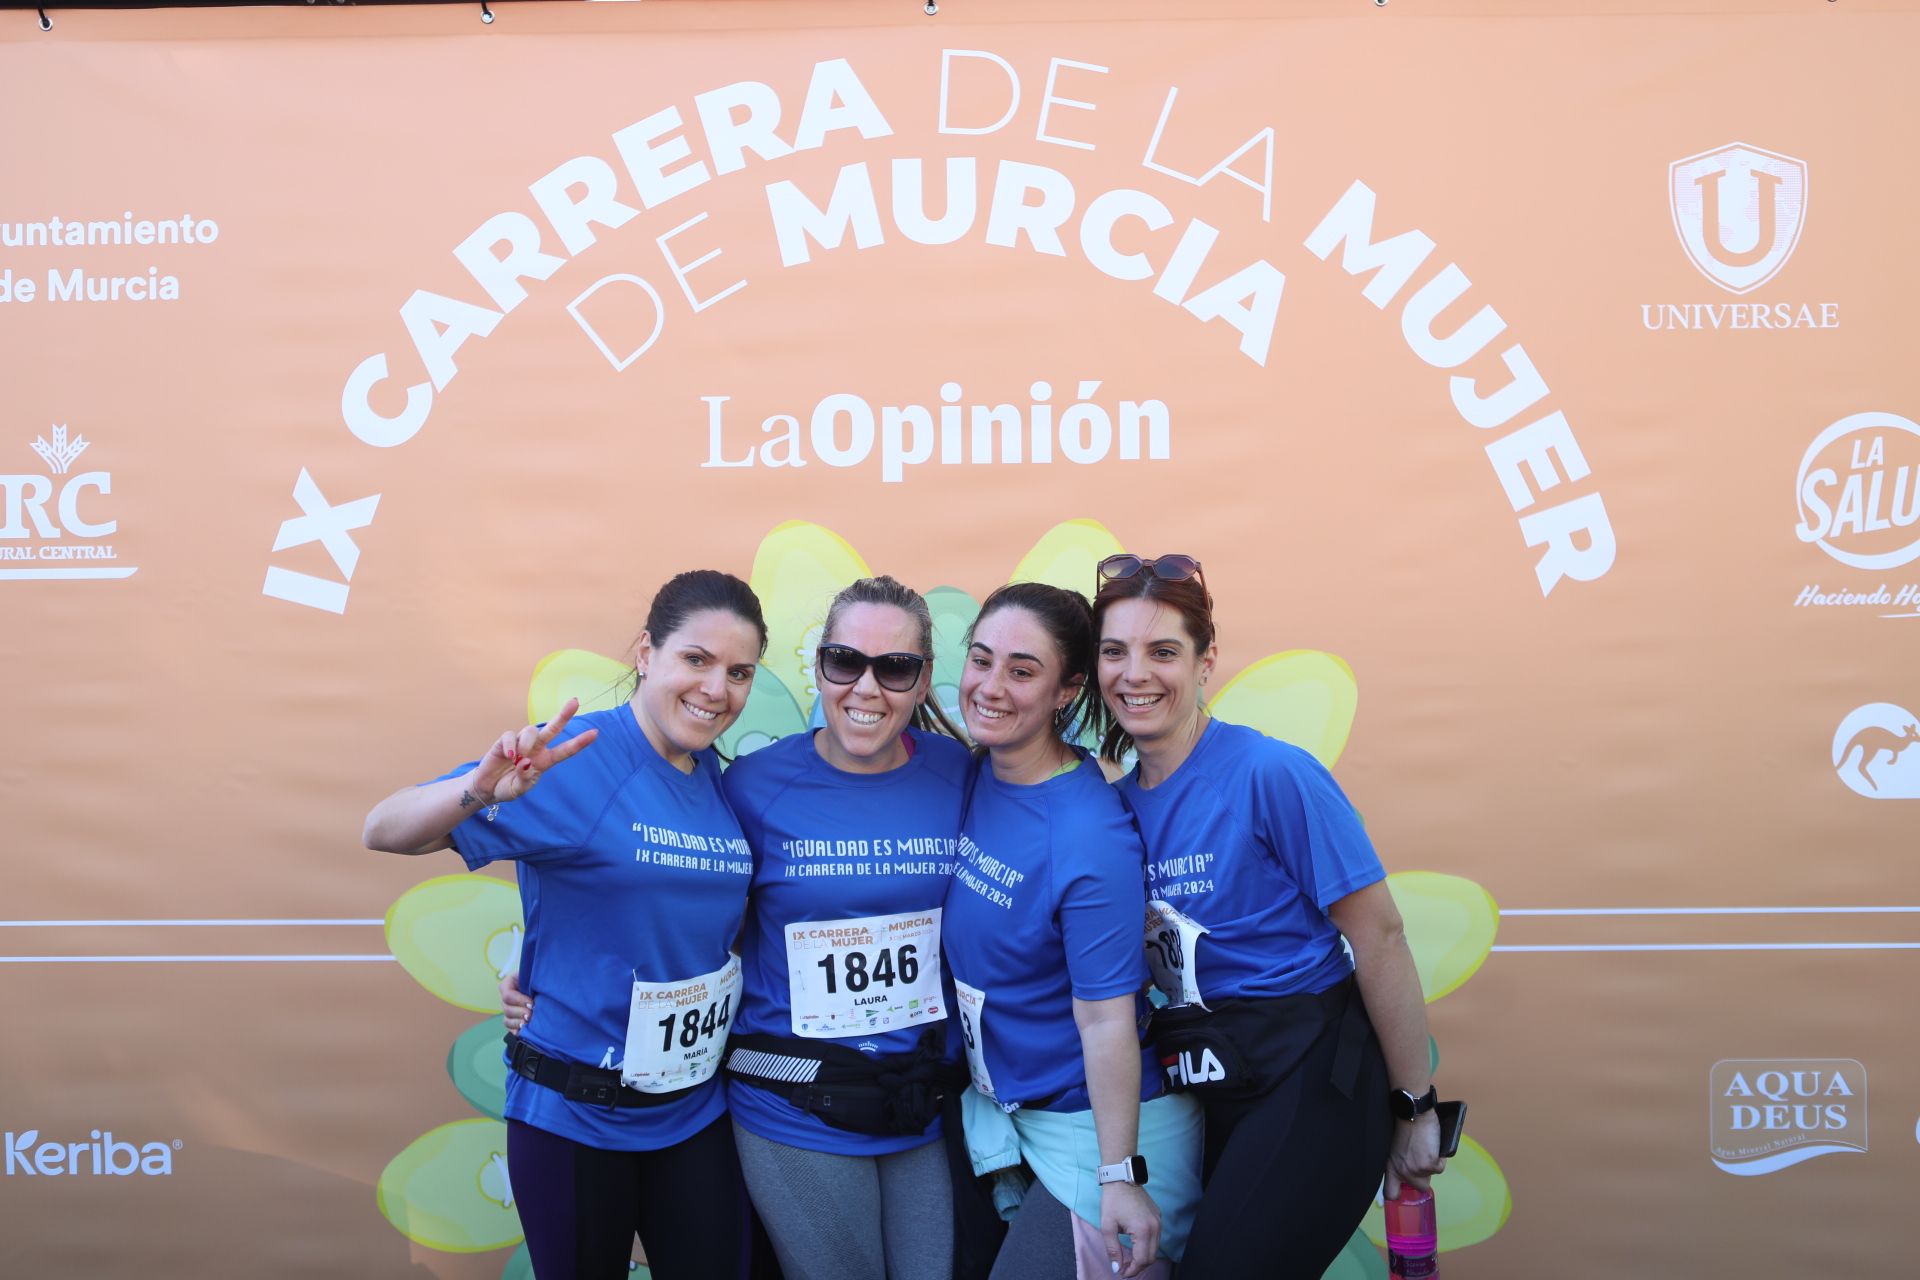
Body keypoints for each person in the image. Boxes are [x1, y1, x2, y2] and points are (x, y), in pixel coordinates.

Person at [507, 576, 977, 1280]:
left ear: (922, 678)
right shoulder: (751, 783)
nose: (867, 687)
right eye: (845, 661)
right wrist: (545, 971)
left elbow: (1020, 876)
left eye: (896, 667)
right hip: (794, 1106)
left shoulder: (962, 773)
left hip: (919, 1108)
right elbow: (680, 895)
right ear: (818, 665)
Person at [363, 569, 769, 1280]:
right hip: (577, 1118)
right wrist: (477, 792)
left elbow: (689, 924)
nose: (716, 690)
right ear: (646, 653)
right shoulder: (574, 759)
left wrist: (556, 957)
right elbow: (385, 829)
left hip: (693, 1112)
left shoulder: (716, 779)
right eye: (696, 660)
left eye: (739, 672)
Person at [1090, 553, 1446, 1279]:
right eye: (1114, 652)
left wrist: (1415, 1108)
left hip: (1311, 1076)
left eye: (1163, 652)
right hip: (1205, 1082)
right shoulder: (1110, 808)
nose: (1136, 675)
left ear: (1206, 661)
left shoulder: (1269, 774)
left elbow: (1378, 935)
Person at [940, 583, 1204, 1280]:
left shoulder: (1086, 833)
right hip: (1016, 1120)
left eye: (1022, 671)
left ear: (1067, 691)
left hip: (1100, 1136)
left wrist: (1120, 1175)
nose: (991, 687)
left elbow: (1105, 1021)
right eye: (981, 659)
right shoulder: (980, 772)